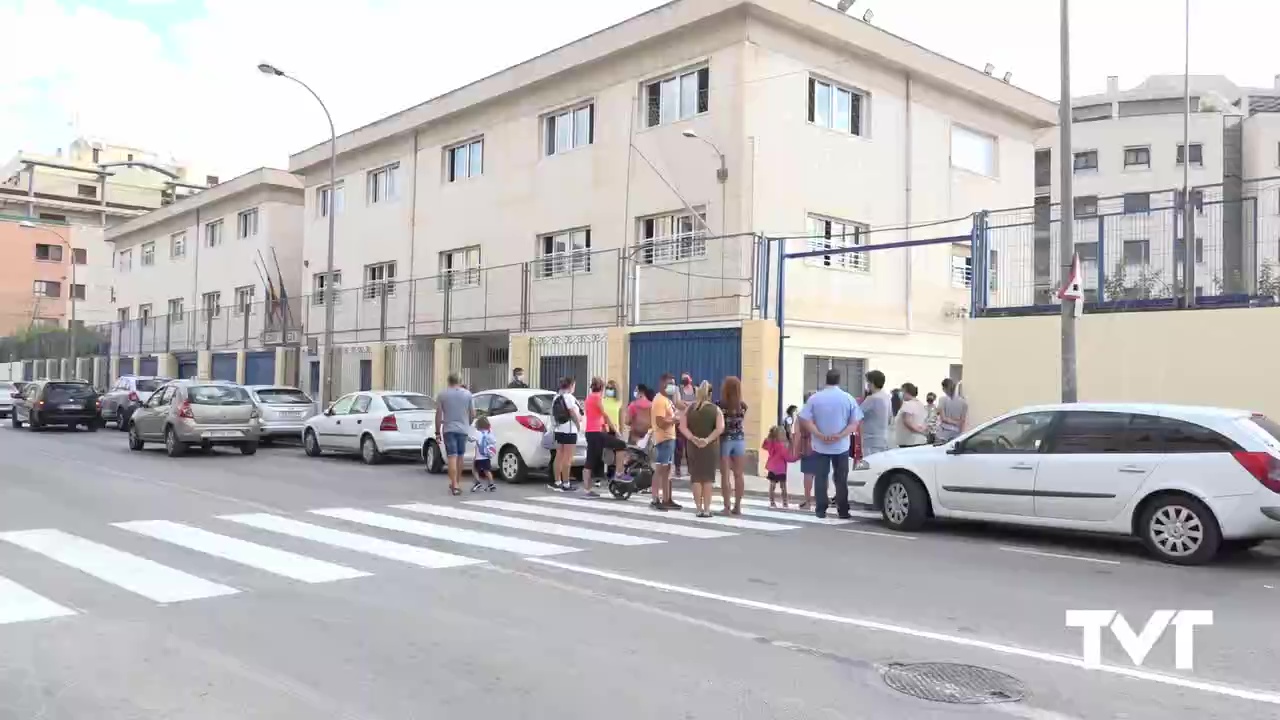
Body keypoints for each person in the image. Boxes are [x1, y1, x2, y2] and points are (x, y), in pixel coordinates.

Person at [798, 369, 862, 519]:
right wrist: (840, 435)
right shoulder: (848, 398)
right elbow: (855, 423)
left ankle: (821, 510)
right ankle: (843, 510)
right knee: (841, 479)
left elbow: (804, 419)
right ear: (839, 380)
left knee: (821, 478)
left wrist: (818, 433)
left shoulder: (815, 398)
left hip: (820, 445)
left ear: (825, 379)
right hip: (841, 446)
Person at [679, 381, 724, 518]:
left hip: (693, 447)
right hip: (710, 447)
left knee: (696, 478)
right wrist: (707, 440)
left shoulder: (690, 408)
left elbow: (682, 427)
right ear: (710, 394)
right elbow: (720, 428)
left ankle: (698, 508)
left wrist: (693, 438)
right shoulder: (716, 409)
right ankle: (707, 509)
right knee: (708, 479)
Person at [434, 373, 474, 496]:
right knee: (460, 456)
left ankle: (454, 484)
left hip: (448, 429)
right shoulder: (468, 394)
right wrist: (468, 424)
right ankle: (457, 482)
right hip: (463, 430)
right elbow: (472, 413)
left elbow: (439, 414)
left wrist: (437, 432)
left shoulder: (442, 394)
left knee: (452, 456)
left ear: (448, 381)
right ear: (460, 380)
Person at [717, 375, 748, 515]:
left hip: (726, 440)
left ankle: (726, 507)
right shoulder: (743, 406)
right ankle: (738, 506)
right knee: (739, 475)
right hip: (740, 440)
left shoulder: (720, 405)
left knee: (725, 475)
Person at [649, 373, 680, 511]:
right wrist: (674, 420)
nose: (673, 386)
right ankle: (655, 498)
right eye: (670, 383)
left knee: (667, 469)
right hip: (663, 439)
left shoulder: (667, 400)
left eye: (674, 383)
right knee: (660, 468)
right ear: (662, 384)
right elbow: (660, 422)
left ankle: (667, 498)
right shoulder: (660, 400)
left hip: (670, 438)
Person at [582, 377, 616, 498]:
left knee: (591, 460)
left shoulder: (589, 398)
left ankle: (588, 488)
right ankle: (587, 489)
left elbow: (594, 415)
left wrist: (604, 425)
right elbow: (604, 414)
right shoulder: (597, 398)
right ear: (601, 387)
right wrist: (615, 429)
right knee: (620, 445)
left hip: (592, 430)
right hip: (595, 432)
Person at [549, 376, 582, 492]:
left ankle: (557, 481)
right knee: (568, 458)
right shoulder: (569, 397)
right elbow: (572, 413)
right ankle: (566, 483)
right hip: (569, 430)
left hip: (558, 430)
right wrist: (578, 425)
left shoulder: (556, 397)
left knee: (559, 456)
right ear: (571, 386)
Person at [790, 390, 816, 509]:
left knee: (808, 474)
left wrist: (795, 450)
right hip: (822, 445)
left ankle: (808, 501)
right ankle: (822, 500)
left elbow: (797, 434)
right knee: (822, 474)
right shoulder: (822, 413)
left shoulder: (801, 415)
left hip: (807, 446)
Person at [858, 370, 893, 457]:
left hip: (871, 440)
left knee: (871, 466)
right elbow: (890, 418)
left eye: (868, 382)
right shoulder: (886, 397)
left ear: (872, 383)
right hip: (883, 438)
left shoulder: (872, 399)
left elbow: (857, 414)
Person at [762, 425, 796, 508]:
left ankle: (772, 502)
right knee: (783, 487)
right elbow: (788, 457)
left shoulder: (771, 443)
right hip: (781, 469)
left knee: (772, 486)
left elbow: (764, 445)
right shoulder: (781, 447)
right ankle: (785, 502)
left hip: (772, 468)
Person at [673, 373, 696, 479]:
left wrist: (685, 404)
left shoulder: (695, 390)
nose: (684, 380)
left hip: (691, 422)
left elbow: (697, 404)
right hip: (679, 421)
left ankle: (690, 469)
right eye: (682, 379)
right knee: (679, 446)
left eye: (686, 378)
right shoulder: (678, 390)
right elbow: (677, 403)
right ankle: (677, 468)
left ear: (690, 379)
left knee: (690, 446)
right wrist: (690, 405)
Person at [894, 383, 930, 448]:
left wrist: (920, 431)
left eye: (902, 391)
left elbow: (908, 422)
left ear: (906, 391)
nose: (901, 394)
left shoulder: (908, 404)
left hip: (910, 442)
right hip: (919, 440)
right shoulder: (920, 404)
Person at [602, 379, 623, 480]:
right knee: (606, 452)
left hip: (615, 430)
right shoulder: (602, 401)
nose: (609, 390)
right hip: (604, 429)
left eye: (611, 388)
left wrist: (621, 431)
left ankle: (613, 475)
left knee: (616, 453)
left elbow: (621, 418)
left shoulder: (618, 402)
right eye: (607, 388)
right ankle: (601, 475)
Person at [472, 416, 498, 493]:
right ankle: (491, 484)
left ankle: (477, 482)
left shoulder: (478, 433)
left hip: (479, 457)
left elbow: (471, 439)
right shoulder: (489, 433)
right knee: (487, 471)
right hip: (487, 456)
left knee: (475, 469)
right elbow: (494, 441)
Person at [938, 378, 968, 443]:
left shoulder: (942, 400)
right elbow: (963, 421)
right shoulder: (963, 402)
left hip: (944, 432)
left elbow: (943, 418)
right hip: (957, 432)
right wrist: (957, 423)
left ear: (944, 388)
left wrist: (952, 421)